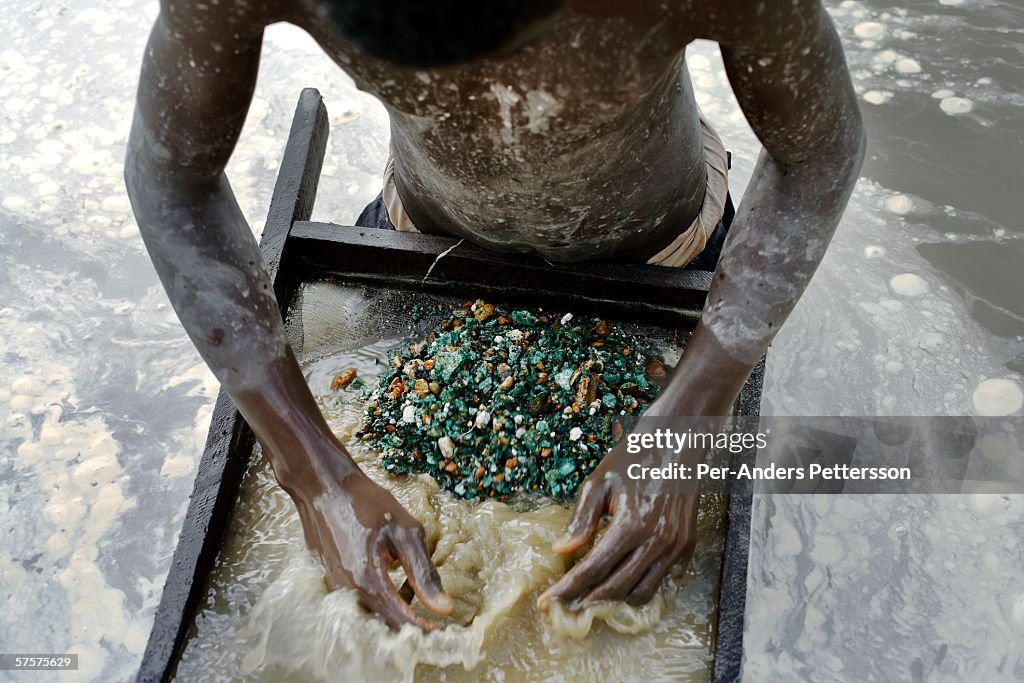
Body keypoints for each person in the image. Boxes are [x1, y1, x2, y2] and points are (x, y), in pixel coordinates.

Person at [124, 0, 865, 630]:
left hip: (662, 255)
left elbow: (820, 153)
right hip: (422, 239)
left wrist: (693, 410)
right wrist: (312, 470)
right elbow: (171, 179)